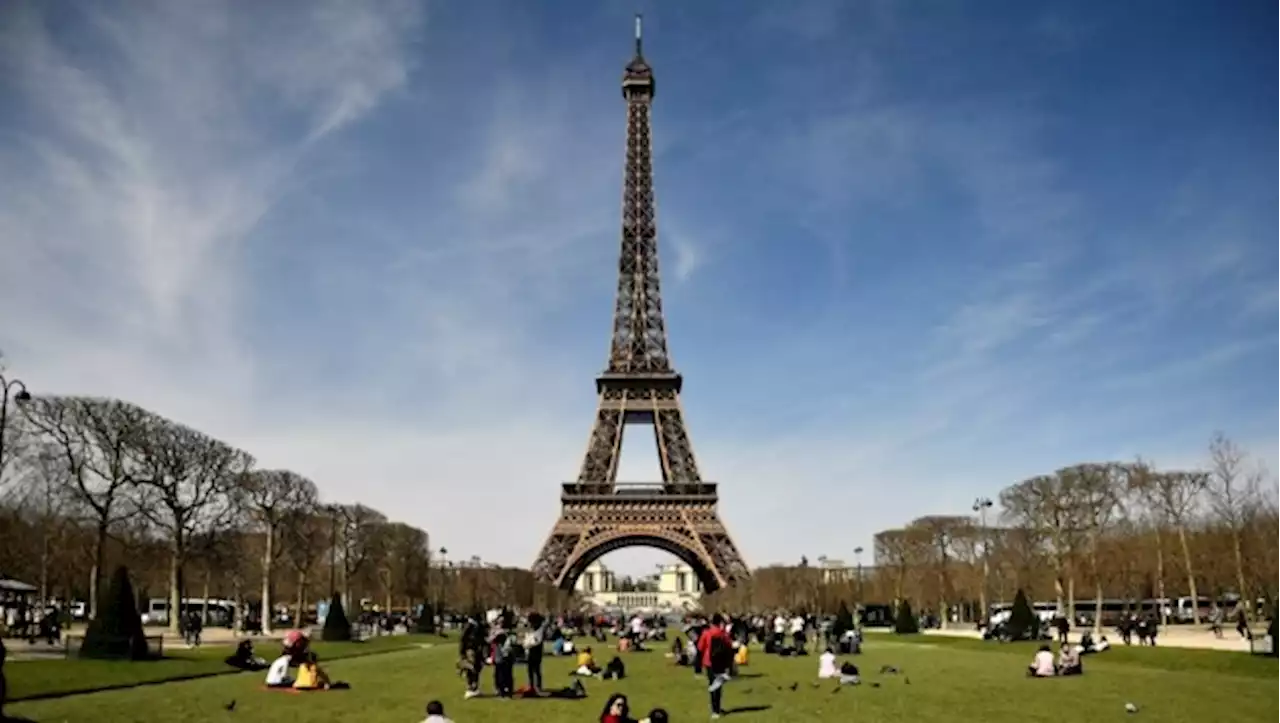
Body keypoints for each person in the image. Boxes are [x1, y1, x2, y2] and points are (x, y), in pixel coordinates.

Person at [697, 614, 732, 719]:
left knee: (713, 686)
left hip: (709, 662)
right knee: (718, 686)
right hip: (720, 663)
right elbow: (729, 646)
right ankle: (717, 708)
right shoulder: (723, 634)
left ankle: (715, 710)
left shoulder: (706, 633)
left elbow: (700, 647)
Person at [524, 612, 546, 693]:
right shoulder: (531, 630)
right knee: (530, 670)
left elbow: (537, 641)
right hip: (530, 651)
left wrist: (528, 644)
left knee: (536, 669)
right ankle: (531, 685)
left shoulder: (540, 630)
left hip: (536, 651)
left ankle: (538, 686)